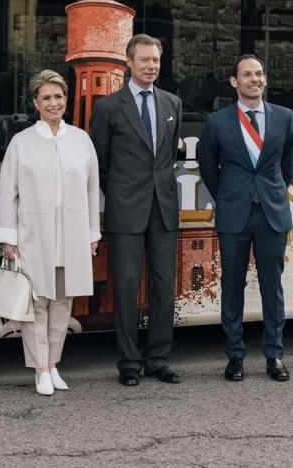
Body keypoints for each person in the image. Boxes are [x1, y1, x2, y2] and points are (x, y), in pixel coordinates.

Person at [0, 70, 101, 395]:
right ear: (35, 102)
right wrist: (8, 238)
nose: (53, 103)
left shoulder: (81, 139)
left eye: (58, 97)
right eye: (46, 98)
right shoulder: (21, 142)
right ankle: (39, 367)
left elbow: (92, 188)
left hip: (71, 232)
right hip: (33, 232)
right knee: (36, 301)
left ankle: (54, 364)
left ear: (65, 100)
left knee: (63, 301)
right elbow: (7, 192)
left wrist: (92, 233)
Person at [89, 34, 183, 387]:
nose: (151, 66)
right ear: (128, 63)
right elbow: (100, 163)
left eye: (156, 60)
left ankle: (159, 359)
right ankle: (129, 362)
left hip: (163, 209)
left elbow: (167, 157)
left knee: (163, 286)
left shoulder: (172, 102)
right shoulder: (108, 107)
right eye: (144, 60)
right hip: (125, 209)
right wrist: (121, 193)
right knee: (126, 287)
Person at [197, 55, 293, 382]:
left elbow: (288, 164)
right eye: (247, 74)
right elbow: (209, 168)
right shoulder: (217, 121)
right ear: (234, 82)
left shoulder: (285, 118)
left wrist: (272, 190)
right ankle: (235, 356)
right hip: (234, 214)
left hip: (271, 214)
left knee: (272, 289)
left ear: (264, 80)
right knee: (233, 286)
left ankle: (274, 356)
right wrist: (228, 195)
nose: (255, 79)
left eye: (259, 74)